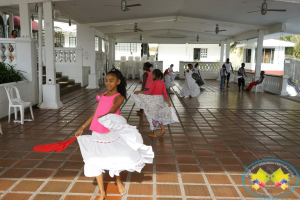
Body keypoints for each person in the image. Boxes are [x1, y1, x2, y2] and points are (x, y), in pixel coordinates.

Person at [75, 69, 154, 200]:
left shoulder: (119, 97)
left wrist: (105, 116)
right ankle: (102, 192)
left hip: (109, 133)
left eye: (111, 81)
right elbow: (95, 113)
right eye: (106, 80)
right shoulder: (103, 95)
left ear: (118, 82)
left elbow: (111, 111)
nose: (108, 83)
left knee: (114, 157)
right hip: (96, 131)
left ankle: (118, 181)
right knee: (95, 159)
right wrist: (83, 126)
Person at [133, 69, 179, 138]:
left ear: (155, 75)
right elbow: (165, 94)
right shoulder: (162, 83)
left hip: (154, 100)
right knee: (157, 115)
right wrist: (168, 102)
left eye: (153, 74)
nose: (152, 76)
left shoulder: (153, 83)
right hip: (160, 100)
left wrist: (139, 92)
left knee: (153, 116)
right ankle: (162, 129)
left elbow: (148, 92)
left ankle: (155, 133)